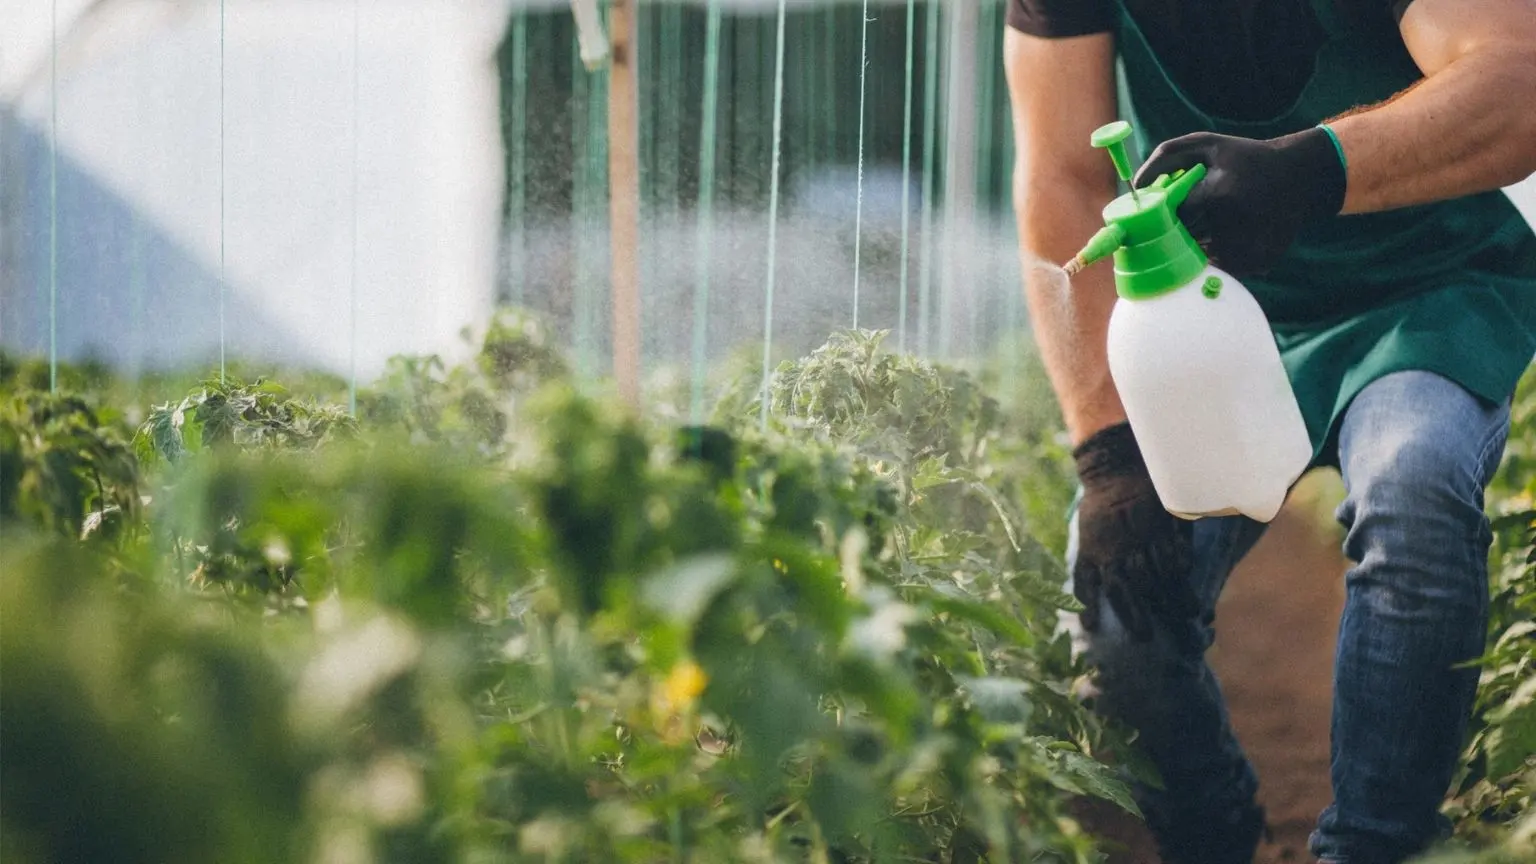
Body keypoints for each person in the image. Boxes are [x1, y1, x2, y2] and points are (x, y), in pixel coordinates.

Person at [1002, 1, 1536, 863]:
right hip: (1209, 319)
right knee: (1119, 609)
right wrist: (1108, 454)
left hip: (1425, 292)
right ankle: (1208, 828)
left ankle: (1375, 845)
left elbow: (1519, 78)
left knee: (1416, 489)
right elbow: (1063, 171)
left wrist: (1309, 169)